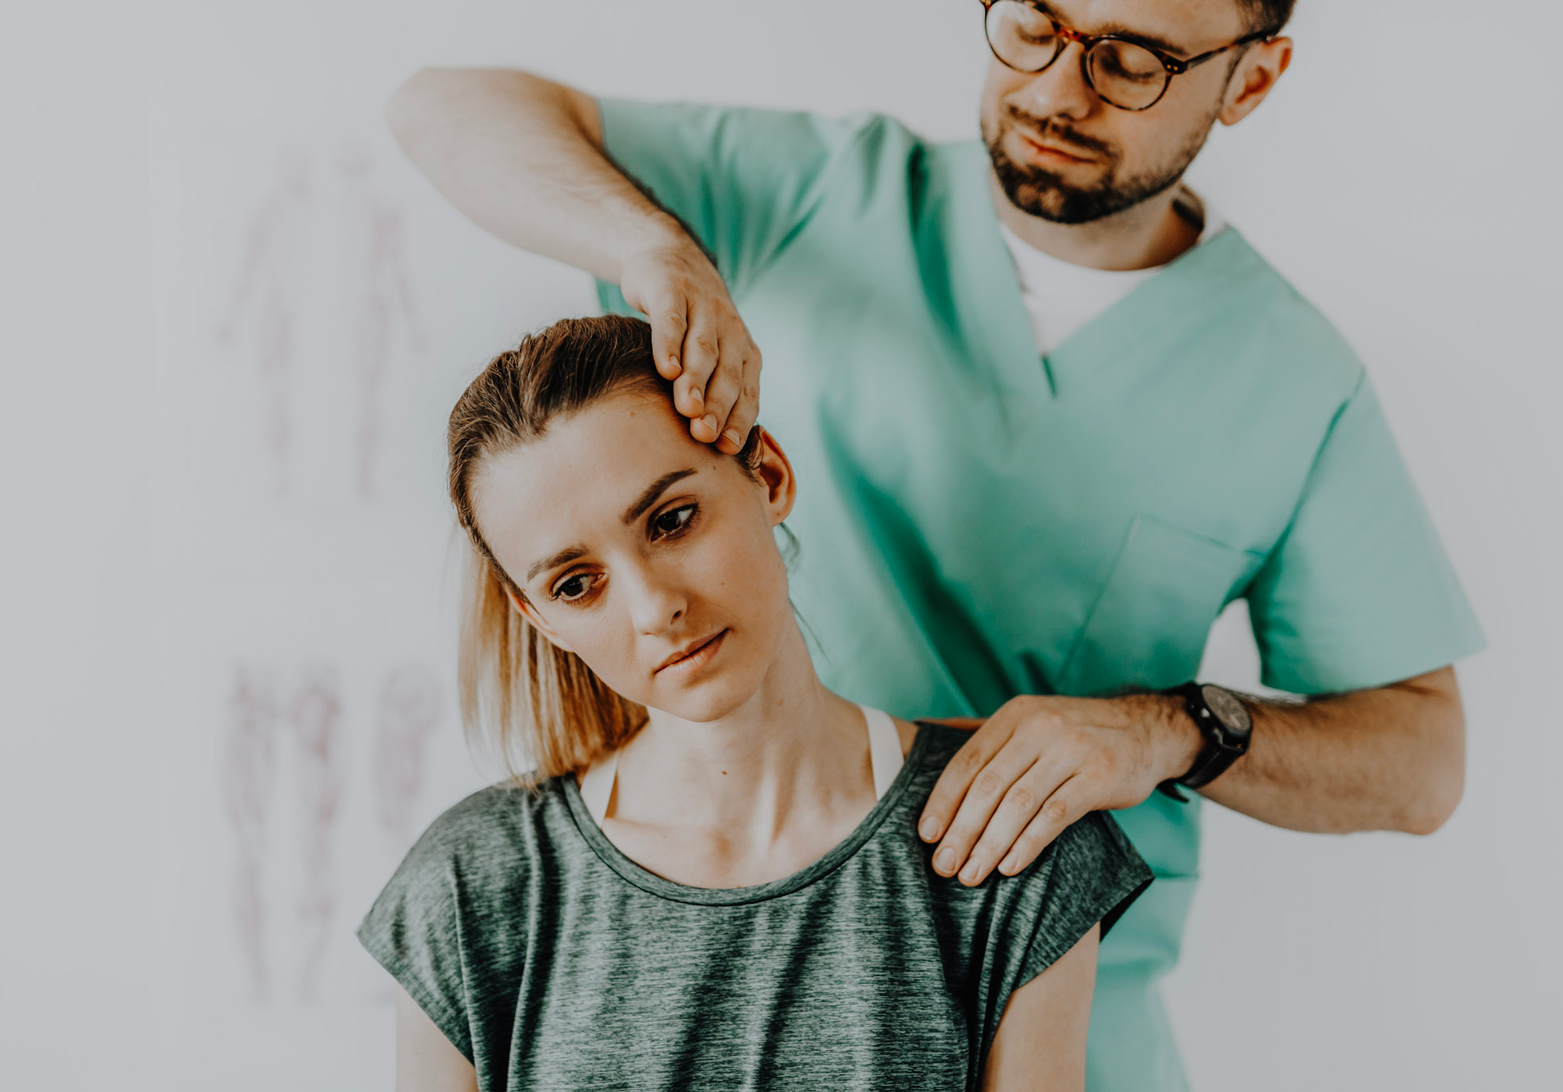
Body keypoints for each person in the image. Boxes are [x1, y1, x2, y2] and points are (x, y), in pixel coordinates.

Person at [383, 0, 1484, 1086]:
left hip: (1057, 1001)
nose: (1057, 87)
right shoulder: (810, 196)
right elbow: (442, 106)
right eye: (1034, 23)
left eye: (1133, 59)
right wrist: (650, 246)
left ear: (1251, 78)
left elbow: (1422, 768)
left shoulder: (1293, 381)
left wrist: (1165, 732)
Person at [357, 314, 1152, 1091]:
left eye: (672, 521)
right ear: (540, 620)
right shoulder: (471, 887)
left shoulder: (1012, 836)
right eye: (576, 584)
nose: (651, 607)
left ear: (767, 474)